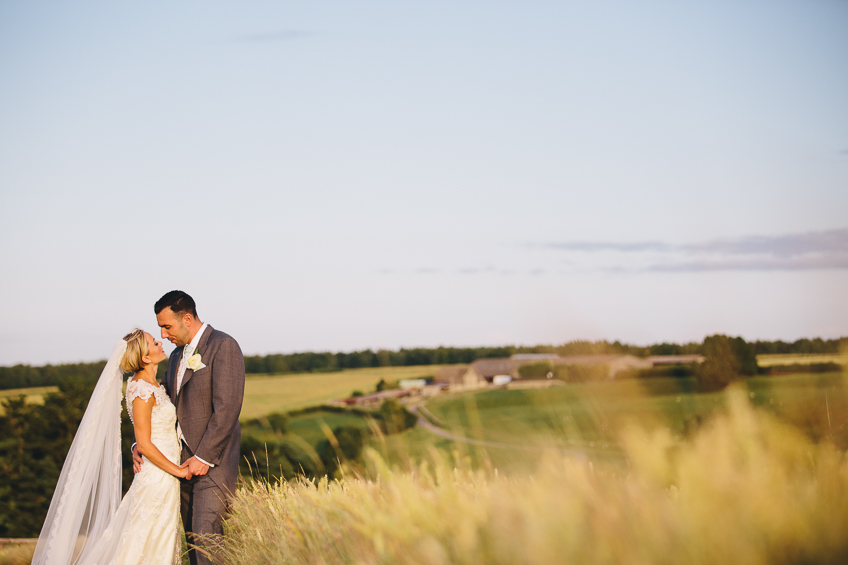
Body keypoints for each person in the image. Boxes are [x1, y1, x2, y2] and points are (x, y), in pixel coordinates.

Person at [32, 329, 186, 565]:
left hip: (165, 476)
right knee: (144, 542)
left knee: (156, 541)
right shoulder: (142, 390)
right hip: (159, 476)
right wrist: (179, 471)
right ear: (145, 357)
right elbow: (145, 443)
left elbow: (146, 436)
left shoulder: (154, 385)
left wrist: (139, 447)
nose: (160, 342)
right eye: (154, 342)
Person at [133, 290, 246, 565]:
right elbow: (166, 408)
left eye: (167, 326)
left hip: (213, 463)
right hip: (180, 467)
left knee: (206, 539)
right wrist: (140, 443)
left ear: (187, 318)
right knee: (191, 541)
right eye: (160, 327)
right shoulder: (174, 357)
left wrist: (204, 456)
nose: (162, 335)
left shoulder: (223, 345)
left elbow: (227, 408)